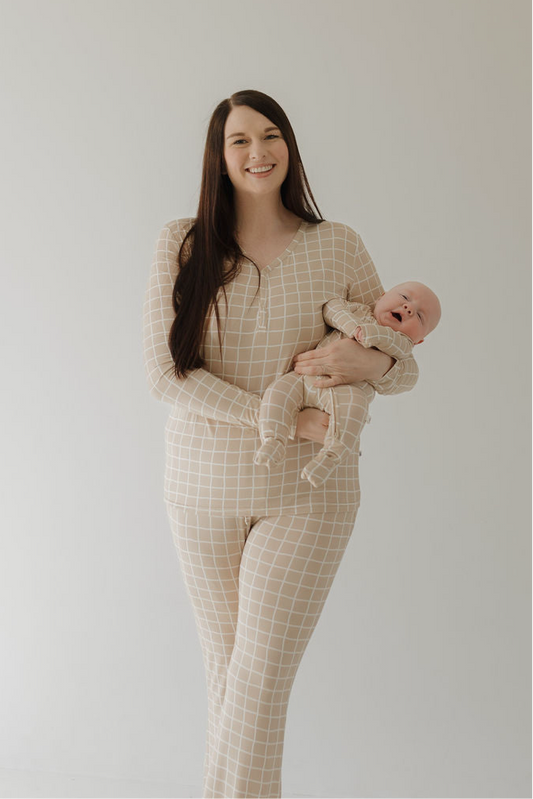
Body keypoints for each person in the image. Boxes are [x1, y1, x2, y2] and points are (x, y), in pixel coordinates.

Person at [142, 89, 420, 799]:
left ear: (288, 146)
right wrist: (281, 418)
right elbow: (166, 377)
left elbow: (400, 354)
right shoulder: (182, 242)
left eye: (271, 135)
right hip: (200, 488)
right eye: (239, 140)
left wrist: (370, 362)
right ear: (218, 155)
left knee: (257, 674)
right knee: (227, 669)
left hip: (308, 490)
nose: (258, 151)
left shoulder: (338, 244)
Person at [254, 281, 441, 487]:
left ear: (419, 341)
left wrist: (371, 334)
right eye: (405, 297)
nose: (409, 308)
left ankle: (330, 457)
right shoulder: (358, 312)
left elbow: (402, 361)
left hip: (346, 392)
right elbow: (331, 308)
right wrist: (353, 327)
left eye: (420, 317)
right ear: (381, 296)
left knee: (356, 409)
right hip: (305, 377)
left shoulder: (402, 344)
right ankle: (273, 439)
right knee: (278, 392)